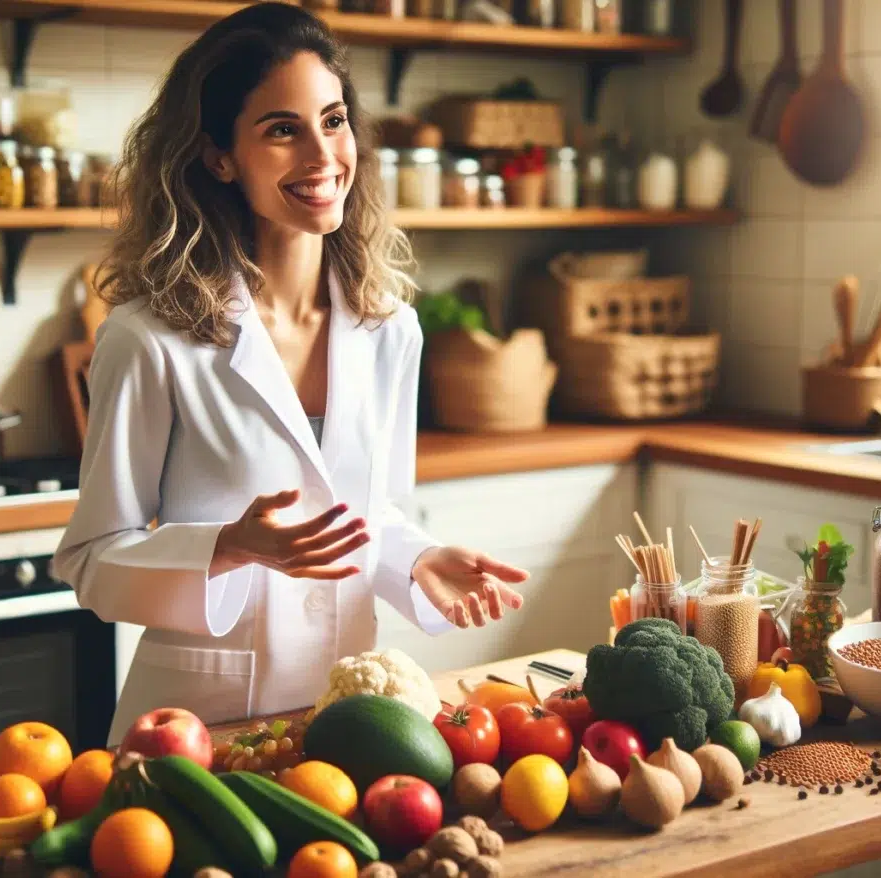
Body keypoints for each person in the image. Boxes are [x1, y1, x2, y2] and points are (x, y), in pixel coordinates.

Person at [53, 1, 529, 745]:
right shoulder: (149, 339)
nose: (321, 156)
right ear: (219, 156)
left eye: (333, 121)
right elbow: (91, 561)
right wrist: (228, 547)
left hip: (348, 726)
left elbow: (371, 517)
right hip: (193, 733)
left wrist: (419, 558)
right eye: (283, 130)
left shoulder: (390, 330)